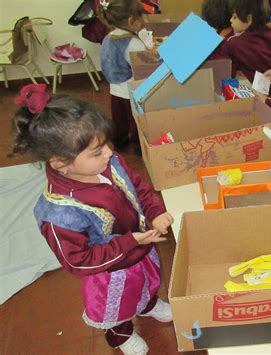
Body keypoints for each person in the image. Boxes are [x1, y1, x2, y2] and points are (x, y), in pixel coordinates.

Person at [10, 84, 174, 355]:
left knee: (146, 282)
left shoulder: (108, 162)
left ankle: (147, 305)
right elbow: (78, 260)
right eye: (97, 151)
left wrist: (154, 214)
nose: (109, 152)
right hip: (112, 272)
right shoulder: (59, 213)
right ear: (60, 163)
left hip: (141, 247)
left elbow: (139, 187)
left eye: (105, 144)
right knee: (120, 303)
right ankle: (120, 335)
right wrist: (128, 242)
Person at [98, 0, 152, 156]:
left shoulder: (108, 38)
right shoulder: (134, 43)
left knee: (119, 120)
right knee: (135, 120)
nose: (144, 21)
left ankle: (119, 142)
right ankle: (138, 147)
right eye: (141, 18)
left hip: (114, 88)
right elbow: (142, 68)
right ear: (131, 21)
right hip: (131, 89)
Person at [214, 0, 271, 95]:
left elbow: (228, 72)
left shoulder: (234, 43)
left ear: (249, 19)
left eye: (235, 17)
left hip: (258, 94)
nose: (231, 20)